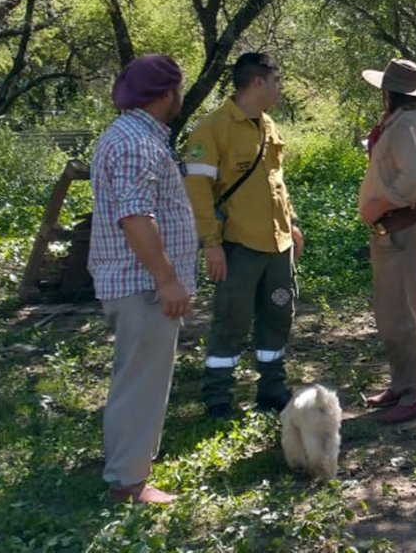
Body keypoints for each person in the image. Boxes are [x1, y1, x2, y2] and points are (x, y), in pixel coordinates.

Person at [88, 54, 197, 504]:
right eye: (178, 89)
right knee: (140, 382)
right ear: (166, 93)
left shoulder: (132, 135)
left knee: (138, 377)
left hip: (138, 283)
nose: (180, 97)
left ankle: (129, 465)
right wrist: (166, 279)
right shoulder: (136, 142)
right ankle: (128, 483)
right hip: (143, 285)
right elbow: (136, 217)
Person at [183, 52, 303, 419]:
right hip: (238, 246)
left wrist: (291, 222)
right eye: (276, 81)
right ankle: (218, 396)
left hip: (277, 245)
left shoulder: (268, 125)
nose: (280, 89)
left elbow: (275, 181)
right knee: (231, 321)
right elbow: (198, 192)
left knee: (278, 315)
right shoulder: (212, 128)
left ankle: (272, 389)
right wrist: (211, 244)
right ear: (257, 82)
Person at [358, 58, 416, 424]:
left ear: (388, 92)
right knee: (392, 311)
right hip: (402, 226)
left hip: (403, 227)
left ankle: (414, 394)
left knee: (400, 313)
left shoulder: (408, 124)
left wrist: (382, 203)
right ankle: (401, 385)